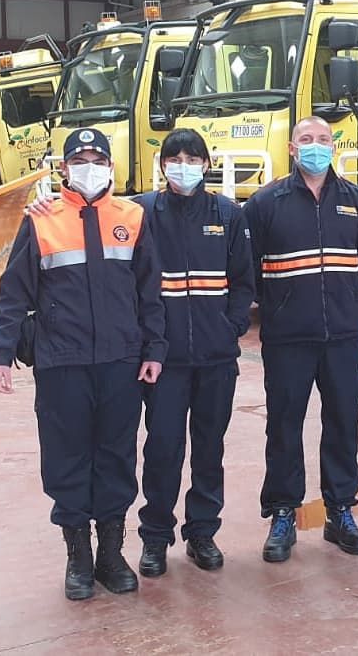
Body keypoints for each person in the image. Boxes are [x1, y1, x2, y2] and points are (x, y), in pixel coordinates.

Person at [0, 128, 167, 601]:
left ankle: (110, 552)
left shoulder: (133, 216)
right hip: (61, 362)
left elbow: (149, 293)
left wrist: (154, 350)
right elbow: (14, 293)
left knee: (116, 455)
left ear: (110, 166)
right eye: (79, 159)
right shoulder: (41, 220)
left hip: (120, 361)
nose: (89, 166)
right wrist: (1, 353)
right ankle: (78, 557)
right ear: (64, 167)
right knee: (67, 458)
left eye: (97, 158)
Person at [243, 116, 358, 563]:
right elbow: (248, 267)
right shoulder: (266, 203)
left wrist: (340, 297)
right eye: (307, 140)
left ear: (334, 146)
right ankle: (283, 512)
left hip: (342, 335)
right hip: (287, 337)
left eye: (324, 140)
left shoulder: (355, 201)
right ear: (291, 148)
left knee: (343, 421)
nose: (316, 146)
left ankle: (340, 510)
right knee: (284, 425)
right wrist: (281, 303)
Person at [135, 129, 256, 577]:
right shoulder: (144, 213)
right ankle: (154, 538)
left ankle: (202, 532)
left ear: (206, 163)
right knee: (163, 448)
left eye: (192, 157)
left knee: (209, 448)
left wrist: (232, 327)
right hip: (163, 361)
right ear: (163, 164)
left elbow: (244, 281)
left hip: (215, 359)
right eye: (175, 157)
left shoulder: (227, 213)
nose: (183, 165)